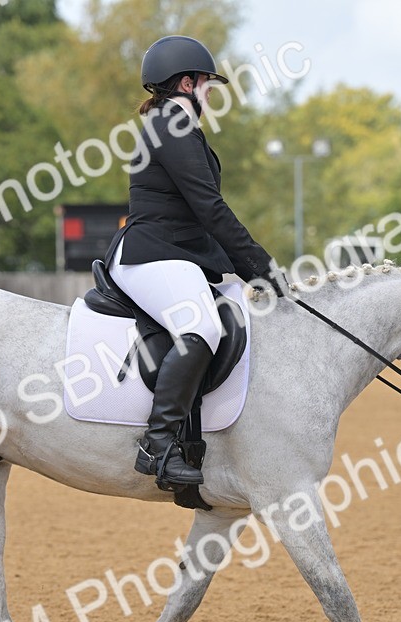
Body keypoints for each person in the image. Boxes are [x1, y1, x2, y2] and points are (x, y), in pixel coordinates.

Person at [103, 34, 284, 490]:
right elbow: (211, 209)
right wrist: (261, 267)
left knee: (236, 314)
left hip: (178, 253)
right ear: (186, 83)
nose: (210, 95)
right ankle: (158, 443)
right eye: (207, 85)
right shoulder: (172, 125)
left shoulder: (176, 126)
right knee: (200, 326)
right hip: (151, 254)